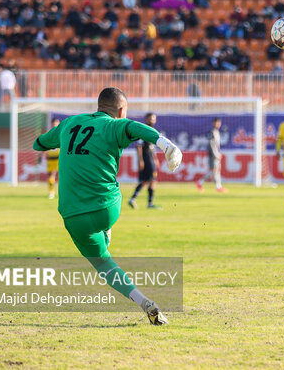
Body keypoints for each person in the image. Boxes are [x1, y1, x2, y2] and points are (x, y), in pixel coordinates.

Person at [32, 87, 183, 325]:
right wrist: (166, 144)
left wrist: (44, 142)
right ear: (121, 110)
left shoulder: (69, 123)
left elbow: (38, 144)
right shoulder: (114, 125)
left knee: (103, 264)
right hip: (107, 207)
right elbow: (135, 128)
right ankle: (109, 231)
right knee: (113, 187)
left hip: (73, 216)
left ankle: (143, 302)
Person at [128, 113, 161, 209]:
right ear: (146, 119)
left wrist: (155, 159)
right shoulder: (144, 130)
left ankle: (133, 199)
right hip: (146, 159)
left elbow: (152, 147)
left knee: (146, 181)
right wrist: (140, 160)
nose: (153, 120)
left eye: (154, 119)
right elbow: (139, 146)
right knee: (151, 180)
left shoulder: (152, 131)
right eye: (151, 118)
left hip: (150, 158)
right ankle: (149, 203)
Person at [197, 117, 226, 193]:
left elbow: (216, 145)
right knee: (214, 170)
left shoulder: (217, 132)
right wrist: (216, 154)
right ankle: (200, 182)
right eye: (217, 123)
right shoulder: (212, 132)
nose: (218, 124)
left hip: (216, 154)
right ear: (214, 123)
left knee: (216, 171)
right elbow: (211, 145)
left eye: (219, 123)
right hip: (212, 155)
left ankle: (218, 187)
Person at [44, 118, 60, 199]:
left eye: (56, 123)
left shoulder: (61, 133)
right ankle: (51, 192)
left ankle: (61, 192)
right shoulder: (48, 134)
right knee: (51, 176)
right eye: (53, 124)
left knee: (60, 176)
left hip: (59, 158)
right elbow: (45, 145)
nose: (55, 125)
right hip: (50, 158)